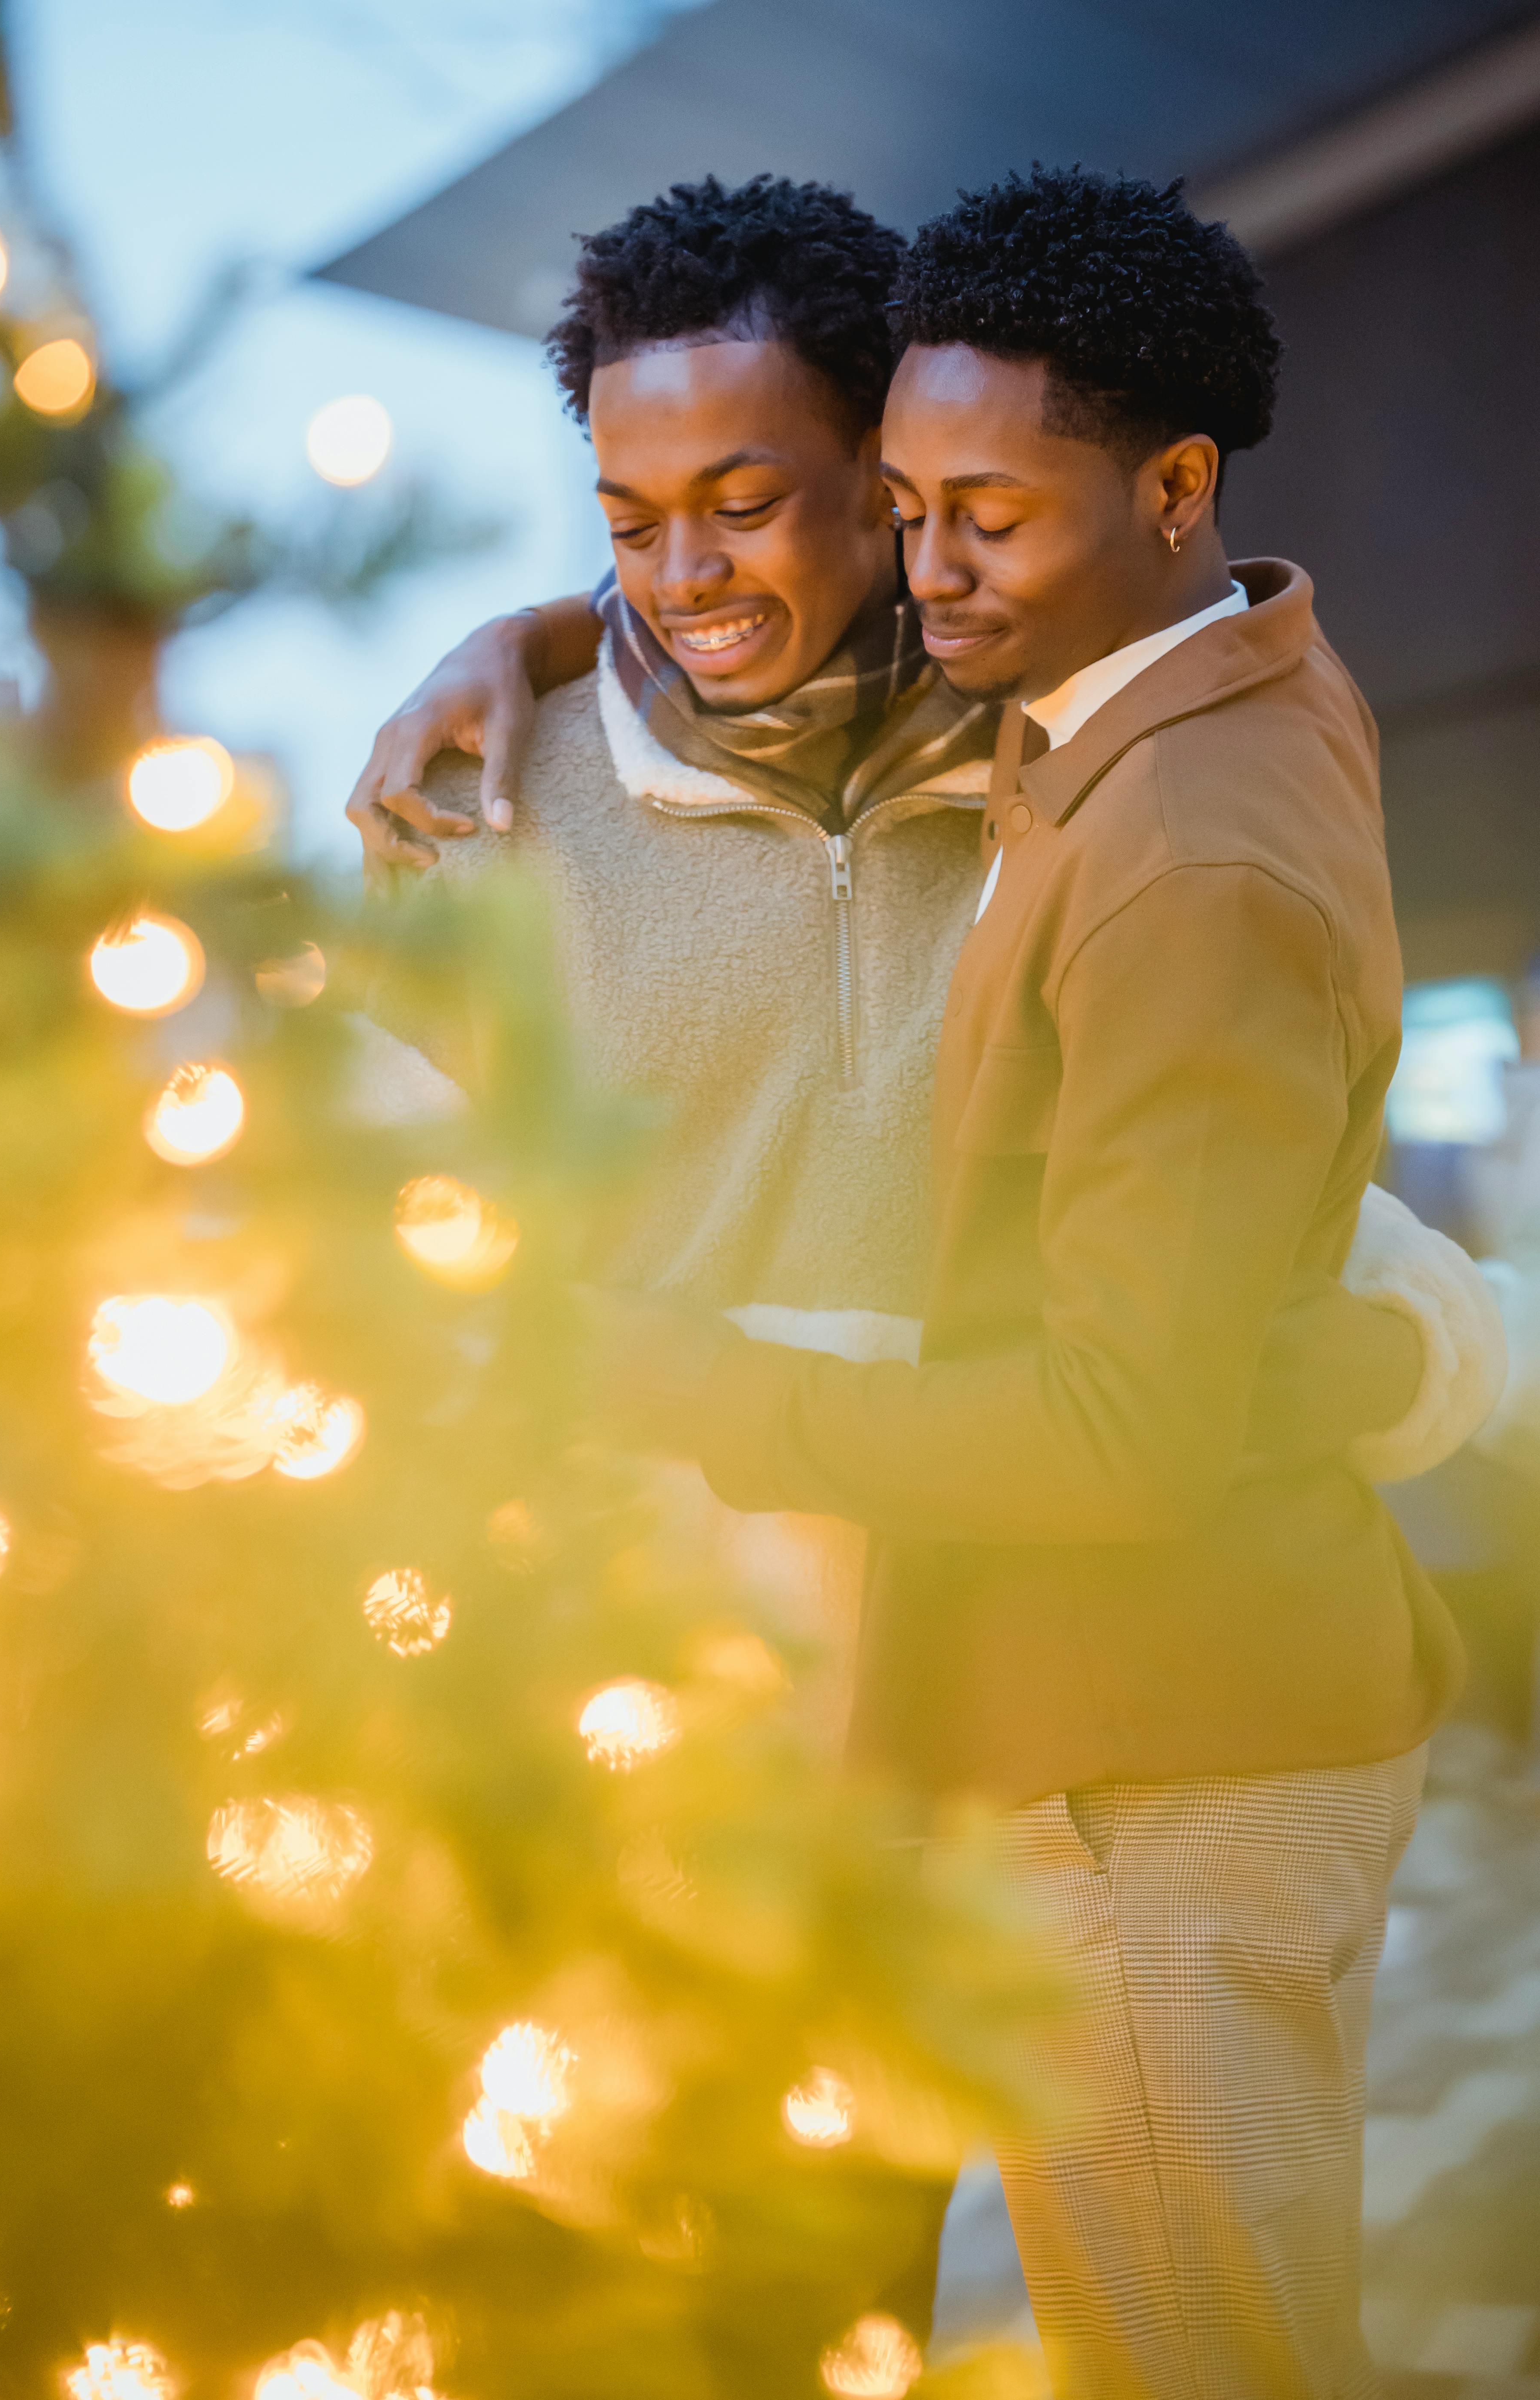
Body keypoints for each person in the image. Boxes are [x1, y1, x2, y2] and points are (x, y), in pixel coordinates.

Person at [349, 172, 1501, 2386]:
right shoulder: (480, 819)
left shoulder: (1055, 730)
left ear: (891, 475)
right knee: (741, 2309)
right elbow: (391, 1270)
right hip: (696, 1736)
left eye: (754, 501)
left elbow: (1229, 1163)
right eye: (628, 516)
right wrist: (513, 641)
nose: (684, 577)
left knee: (1130, 2305)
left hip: (1045, 1685)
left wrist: (1400, 1346)